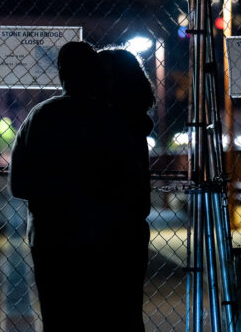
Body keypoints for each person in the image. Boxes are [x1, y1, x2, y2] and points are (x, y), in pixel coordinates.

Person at [9, 41, 147, 331]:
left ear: (60, 72)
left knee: (58, 317)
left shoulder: (39, 116)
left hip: (50, 238)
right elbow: (130, 181)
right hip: (102, 238)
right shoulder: (110, 120)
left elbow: (18, 185)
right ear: (93, 74)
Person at [96, 47, 156, 330]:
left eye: (105, 77)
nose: (97, 83)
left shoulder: (117, 125)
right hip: (125, 230)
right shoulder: (133, 124)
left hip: (114, 232)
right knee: (126, 312)